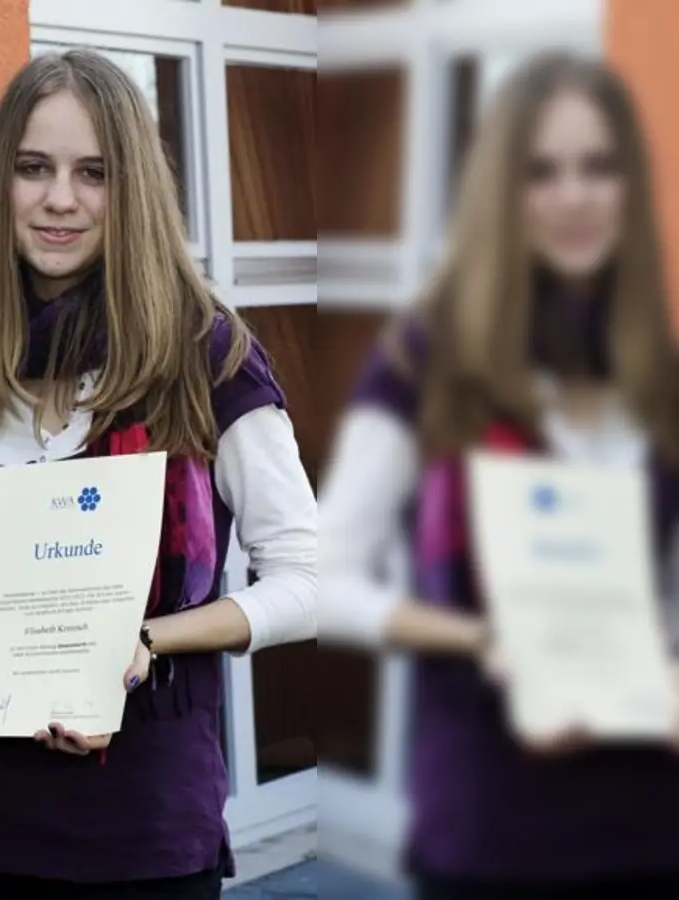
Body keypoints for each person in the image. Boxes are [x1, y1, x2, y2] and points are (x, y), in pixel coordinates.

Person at [0, 48, 318, 899]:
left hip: (144, 830)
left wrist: (148, 641)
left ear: (134, 190)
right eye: (33, 168)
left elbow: (310, 580)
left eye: (93, 173)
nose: (60, 198)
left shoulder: (209, 360)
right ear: (2, 184)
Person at [319, 52, 679, 899]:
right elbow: (323, 577)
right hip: (489, 831)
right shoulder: (424, 362)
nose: (574, 196)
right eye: (541, 172)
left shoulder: (658, 374)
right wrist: (482, 641)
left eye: (598, 167)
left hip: (650, 827)